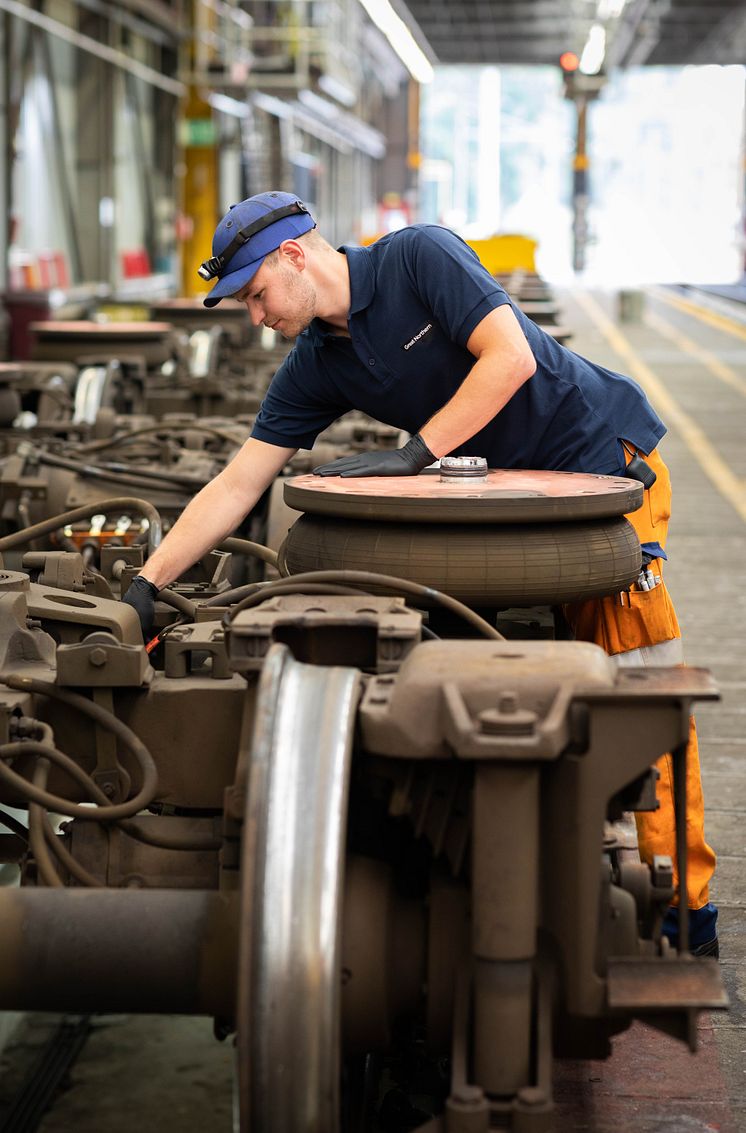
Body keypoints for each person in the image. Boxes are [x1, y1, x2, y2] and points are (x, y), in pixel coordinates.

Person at [123, 190, 717, 956]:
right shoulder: (318, 364)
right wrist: (149, 586)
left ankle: (685, 902)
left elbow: (513, 357)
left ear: (293, 256)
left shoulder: (419, 256)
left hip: (604, 469)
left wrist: (415, 453)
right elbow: (240, 483)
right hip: (507, 498)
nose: (255, 316)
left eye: (256, 294)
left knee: (637, 675)